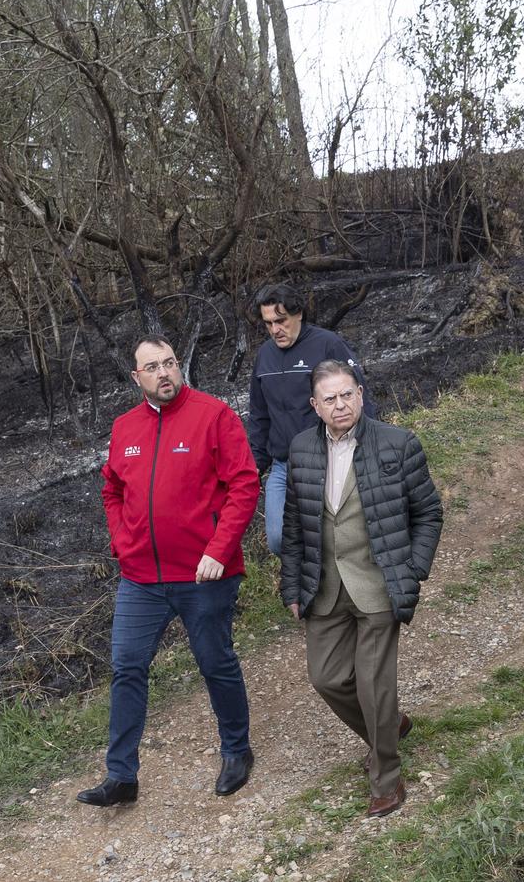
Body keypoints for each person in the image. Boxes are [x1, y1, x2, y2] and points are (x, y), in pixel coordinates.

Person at [81, 337, 260, 808]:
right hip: (139, 578)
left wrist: (220, 550)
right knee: (127, 668)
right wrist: (123, 541)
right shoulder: (124, 428)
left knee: (215, 662)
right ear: (136, 378)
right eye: (151, 367)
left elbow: (244, 485)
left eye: (169, 363)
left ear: (179, 367)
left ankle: (237, 751)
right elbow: (112, 490)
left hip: (203, 574)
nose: (163, 373)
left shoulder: (214, 416)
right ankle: (121, 776)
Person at [281, 360, 443, 820]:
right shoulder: (301, 450)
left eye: (347, 395)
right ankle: (389, 727)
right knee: (326, 677)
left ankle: (386, 778)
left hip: (379, 585)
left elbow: (428, 512)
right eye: (329, 399)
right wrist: (293, 585)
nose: (340, 405)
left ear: (361, 393)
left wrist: (413, 570)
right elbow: (295, 525)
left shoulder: (398, 443)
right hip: (325, 588)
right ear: (315, 406)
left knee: (374, 684)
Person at [247, 283, 371, 558]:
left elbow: (358, 399)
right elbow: (259, 415)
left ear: (298, 313)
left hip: (328, 457)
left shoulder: (328, 344)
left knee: (331, 535)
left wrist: (369, 448)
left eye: (281, 321)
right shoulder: (264, 357)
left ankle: (332, 589)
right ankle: (306, 590)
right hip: (283, 465)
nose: (275, 329)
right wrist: (254, 467)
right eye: (268, 323)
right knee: (280, 539)